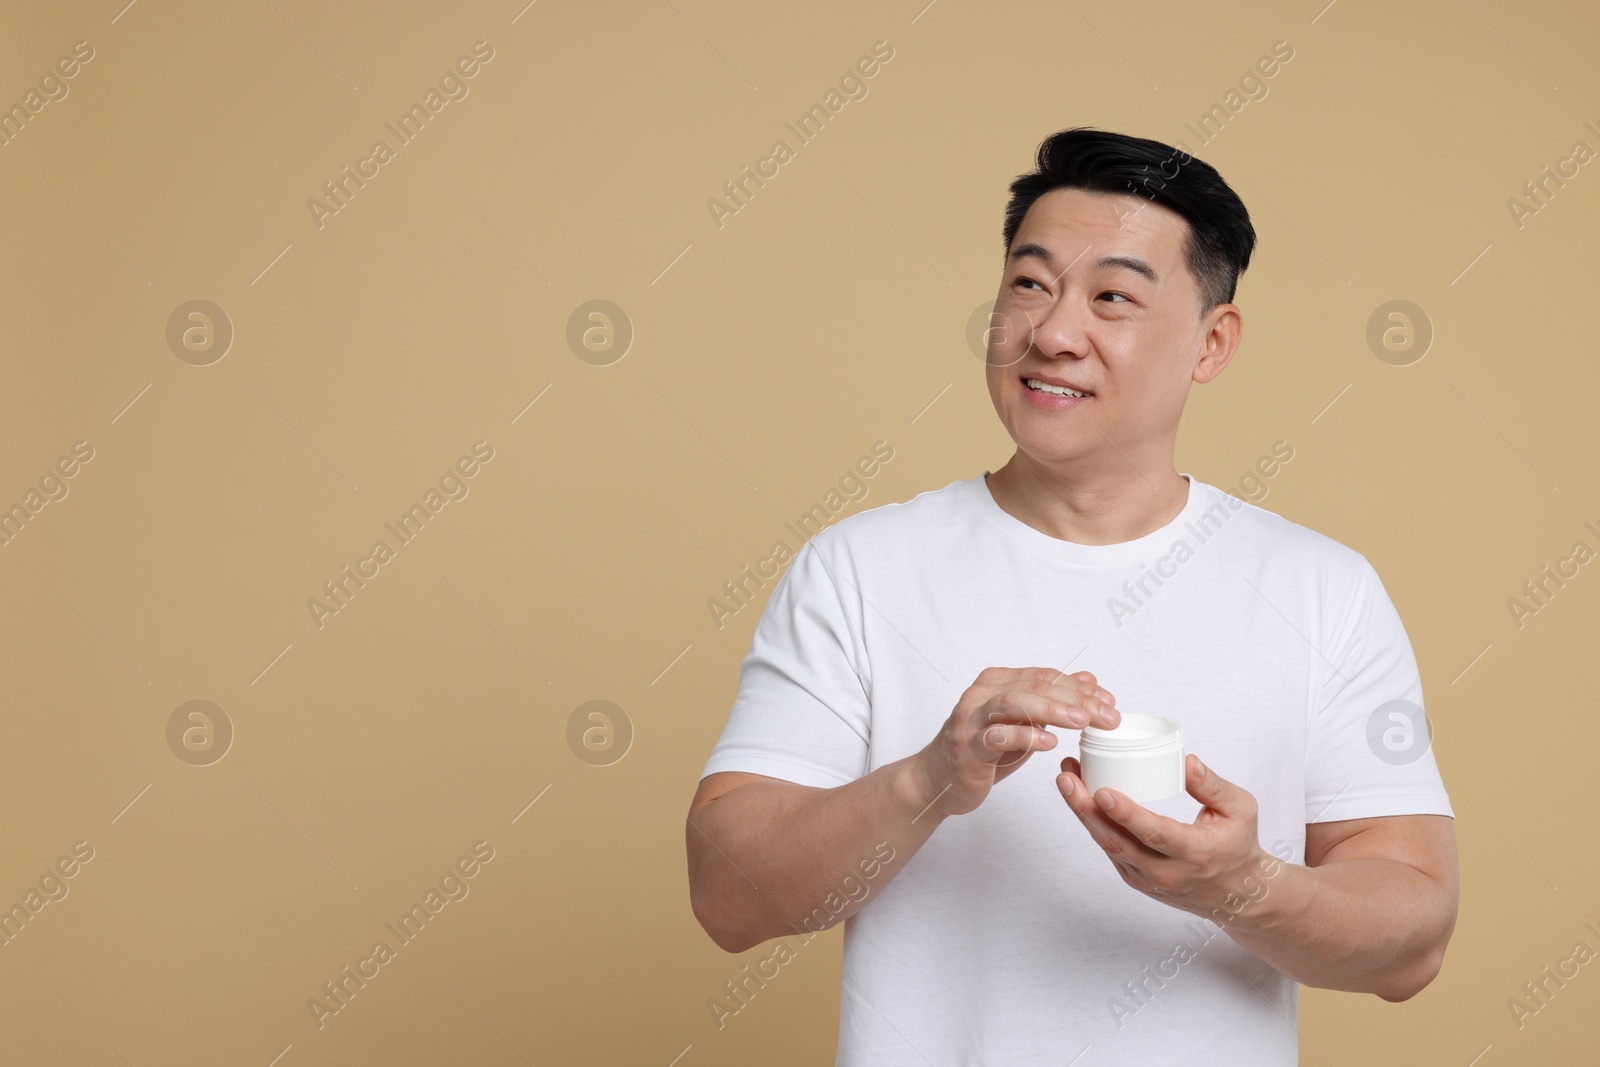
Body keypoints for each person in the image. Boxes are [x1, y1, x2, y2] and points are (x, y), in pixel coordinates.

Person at [685, 126, 1458, 1065]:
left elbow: (1415, 940)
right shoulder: (859, 570)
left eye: (1113, 298)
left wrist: (1243, 884)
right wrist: (928, 780)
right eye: (1029, 282)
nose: (1052, 331)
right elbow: (727, 896)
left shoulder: (1322, 589)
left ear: (1213, 342)